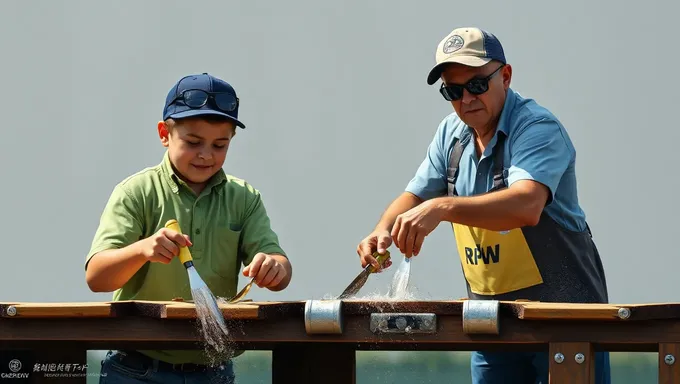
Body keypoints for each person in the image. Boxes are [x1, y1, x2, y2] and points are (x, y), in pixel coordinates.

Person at [356, 27, 610, 383]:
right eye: (453, 91)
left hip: (565, 326)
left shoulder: (537, 128)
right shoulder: (450, 134)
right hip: (491, 326)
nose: (467, 99)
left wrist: (443, 208)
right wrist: (382, 229)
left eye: (476, 84)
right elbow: (414, 196)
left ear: (505, 76)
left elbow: (526, 205)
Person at [85, 73, 292, 384]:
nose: (206, 154)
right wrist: (142, 250)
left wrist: (273, 267)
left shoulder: (244, 198)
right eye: (193, 142)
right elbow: (97, 277)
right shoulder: (136, 192)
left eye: (219, 145)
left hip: (214, 370)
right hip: (134, 368)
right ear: (164, 134)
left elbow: (280, 268)